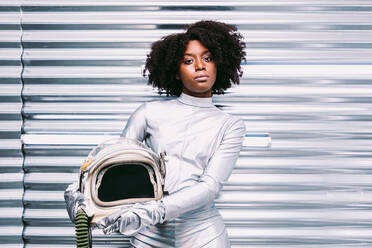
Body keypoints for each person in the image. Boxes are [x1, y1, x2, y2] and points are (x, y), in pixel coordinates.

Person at [65, 20, 246, 247]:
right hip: (148, 238)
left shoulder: (230, 125)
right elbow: (115, 166)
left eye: (207, 58)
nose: (200, 66)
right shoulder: (149, 112)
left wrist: (151, 212)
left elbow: (210, 187)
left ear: (219, 64)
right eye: (188, 61)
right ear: (176, 72)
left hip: (204, 237)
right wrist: (80, 196)